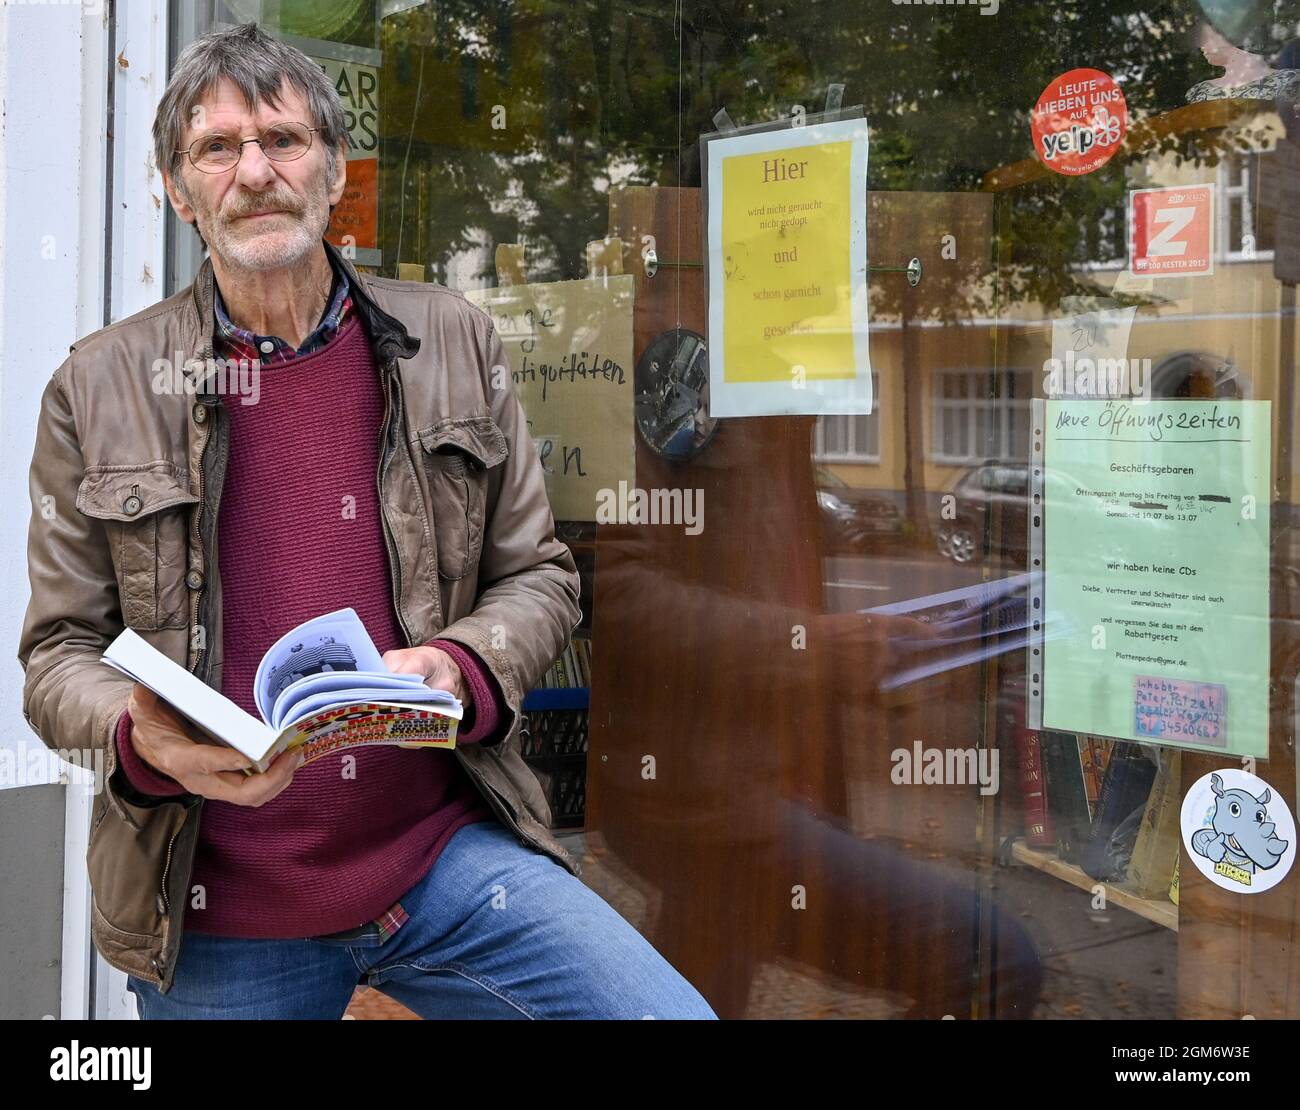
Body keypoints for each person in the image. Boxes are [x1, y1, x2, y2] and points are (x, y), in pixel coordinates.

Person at [17, 21, 716, 1020]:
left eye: (284, 140)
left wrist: (461, 665)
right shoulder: (101, 383)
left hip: (443, 866)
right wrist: (141, 739)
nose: (255, 170)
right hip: (220, 914)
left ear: (334, 169)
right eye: (218, 148)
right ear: (177, 190)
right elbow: (58, 655)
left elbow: (541, 575)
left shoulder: (450, 340)